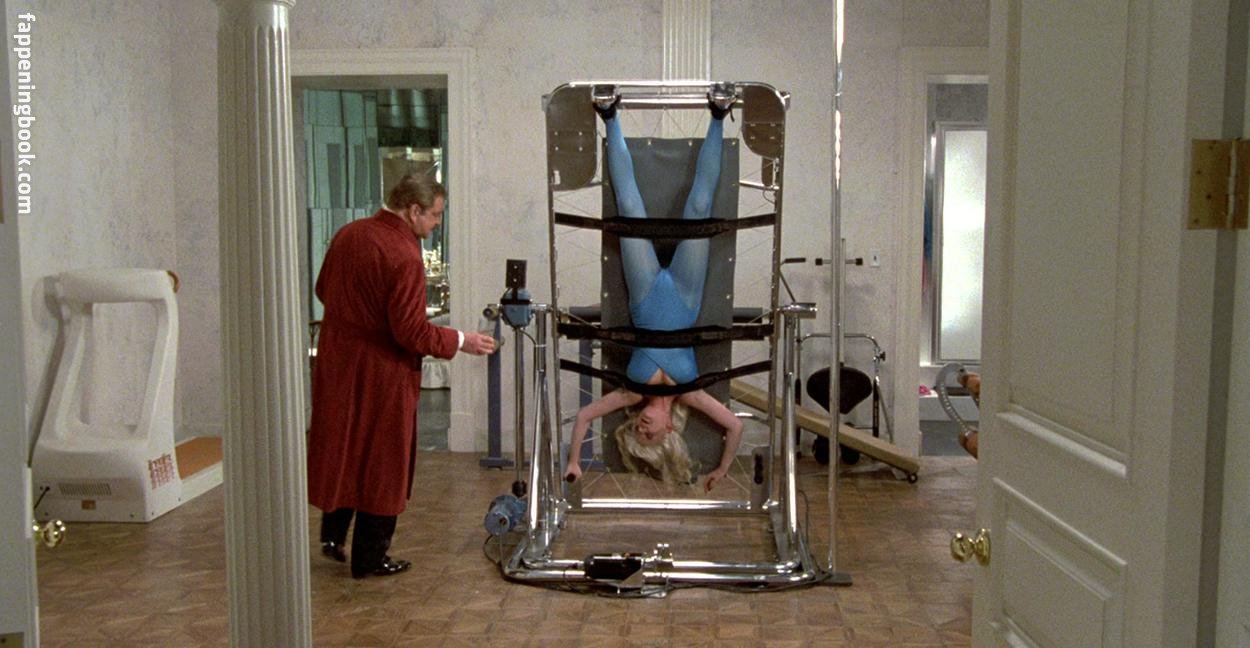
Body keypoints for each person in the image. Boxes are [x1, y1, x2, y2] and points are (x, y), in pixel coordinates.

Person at [307, 174, 496, 579]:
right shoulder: (403, 253)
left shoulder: (348, 234)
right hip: (382, 370)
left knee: (345, 446)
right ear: (413, 210)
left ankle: (332, 536)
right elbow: (410, 332)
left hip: (338, 360)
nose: (437, 224)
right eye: (435, 215)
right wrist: (461, 339)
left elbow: (324, 290)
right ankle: (370, 557)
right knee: (383, 459)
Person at [563, 87, 742, 492]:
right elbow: (734, 427)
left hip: (644, 299)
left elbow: (585, 416)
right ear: (670, 430)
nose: (641, 428)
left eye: (636, 433)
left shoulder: (630, 394)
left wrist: (574, 461)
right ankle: (718, 114)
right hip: (685, 298)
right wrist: (721, 469)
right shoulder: (692, 395)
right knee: (699, 211)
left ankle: (609, 116)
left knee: (630, 210)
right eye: (649, 435)